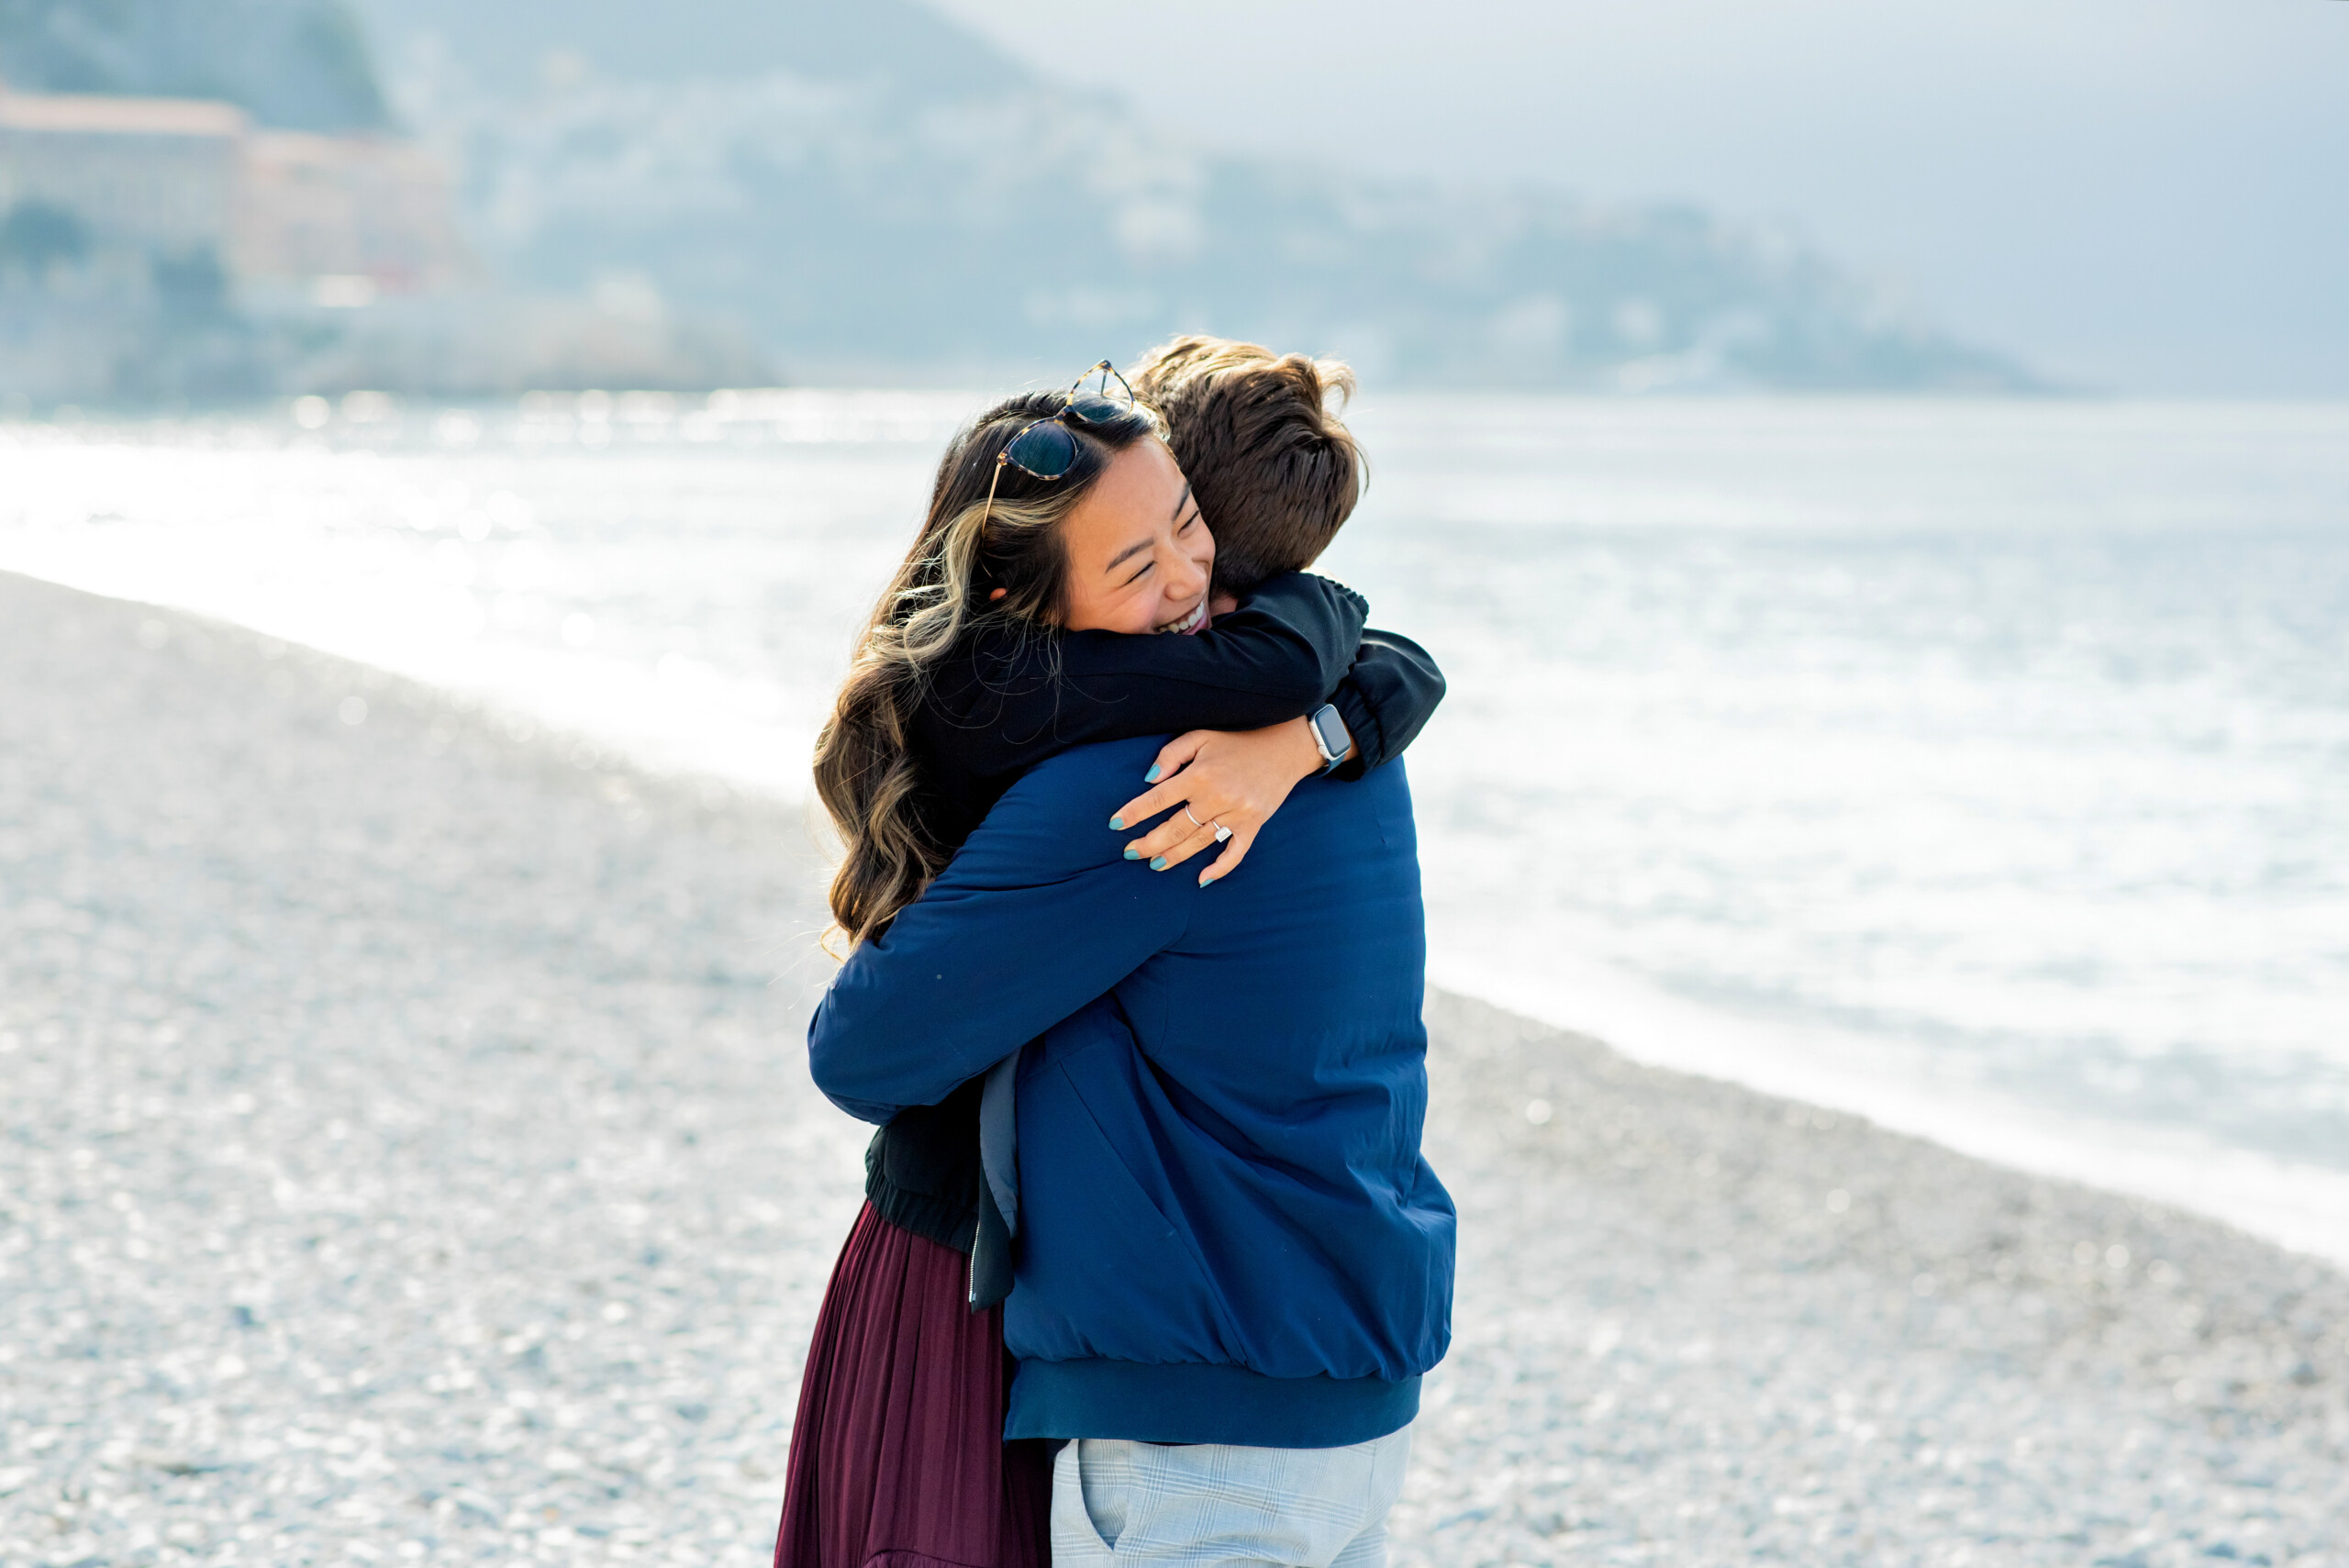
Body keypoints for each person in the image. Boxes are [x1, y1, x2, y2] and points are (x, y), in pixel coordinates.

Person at [775, 351, 1443, 1568]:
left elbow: (863, 1048)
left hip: (1203, 1424)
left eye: (1184, 531)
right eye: (1139, 562)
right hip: (1342, 1380)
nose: (1184, 581)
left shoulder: (1151, 788)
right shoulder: (1343, 739)